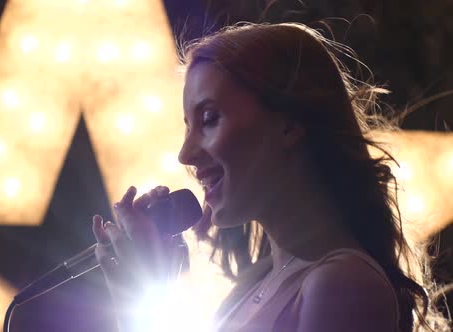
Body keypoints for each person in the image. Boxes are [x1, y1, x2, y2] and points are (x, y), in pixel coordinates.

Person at [92, 23, 451, 332]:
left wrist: (147, 287)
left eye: (210, 118)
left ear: (290, 123)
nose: (186, 154)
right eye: (188, 127)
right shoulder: (253, 286)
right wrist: (138, 289)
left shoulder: (343, 284)